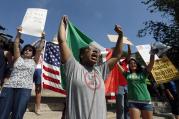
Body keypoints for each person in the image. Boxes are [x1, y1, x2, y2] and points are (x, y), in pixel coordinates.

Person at [57, 16, 123, 119]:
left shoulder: (101, 70)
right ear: (82, 55)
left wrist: (120, 35)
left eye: (96, 51)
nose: (95, 51)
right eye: (90, 49)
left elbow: (117, 56)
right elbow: (62, 41)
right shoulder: (73, 67)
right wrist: (62, 24)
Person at [0, 27, 45, 119]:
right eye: (25, 49)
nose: (27, 51)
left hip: (24, 89)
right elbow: (16, 44)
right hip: (10, 87)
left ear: (33, 53)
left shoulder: (34, 61)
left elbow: (39, 49)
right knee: (3, 112)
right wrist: (19, 33)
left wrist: (42, 38)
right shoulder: (18, 58)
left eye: (30, 50)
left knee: (18, 113)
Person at [117, 49, 155, 119]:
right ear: (129, 65)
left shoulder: (143, 73)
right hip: (133, 102)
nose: (133, 64)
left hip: (146, 102)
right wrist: (115, 57)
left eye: (134, 63)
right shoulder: (127, 74)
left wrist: (152, 53)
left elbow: (151, 64)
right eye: (131, 63)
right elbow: (118, 65)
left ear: (137, 64)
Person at [116, 44, 131, 119]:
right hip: (119, 86)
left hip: (127, 85)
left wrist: (128, 46)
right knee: (120, 106)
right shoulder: (115, 63)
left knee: (127, 105)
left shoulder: (125, 62)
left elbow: (129, 54)